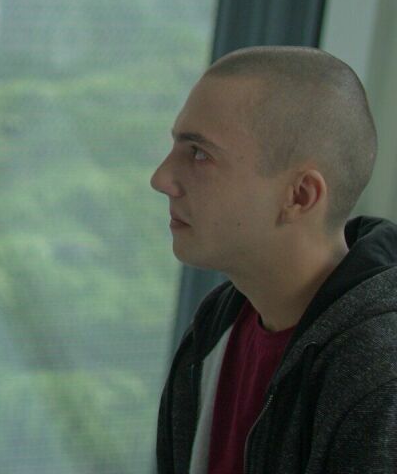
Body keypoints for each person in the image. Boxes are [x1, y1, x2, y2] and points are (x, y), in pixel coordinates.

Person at [151, 46, 397, 473]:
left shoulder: (380, 377)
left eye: (199, 153)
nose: (161, 179)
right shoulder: (214, 329)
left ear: (299, 196)